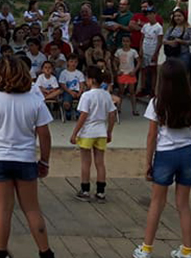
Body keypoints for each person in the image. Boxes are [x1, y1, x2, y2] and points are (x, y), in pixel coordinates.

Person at [0, 55, 57, 258]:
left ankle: (0, 257)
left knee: (3, 208)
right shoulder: (35, 101)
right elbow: (44, 134)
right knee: (32, 208)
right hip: (25, 158)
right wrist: (44, 160)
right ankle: (46, 256)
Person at [133, 58, 191, 258]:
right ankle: (188, 251)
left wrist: (148, 163)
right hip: (187, 153)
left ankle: (146, 249)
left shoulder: (157, 103)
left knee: (157, 202)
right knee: (183, 204)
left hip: (165, 154)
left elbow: (151, 136)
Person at [69, 67, 117, 202]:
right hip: (101, 131)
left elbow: (83, 116)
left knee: (86, 162)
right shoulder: (106, 95)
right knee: (100, 162)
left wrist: (74, 133)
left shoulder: (87, 95)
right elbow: (112, 115)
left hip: (88, 132)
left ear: (91, 80)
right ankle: (101, 192)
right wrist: (109, 131)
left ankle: (85, 190)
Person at [138, 0, 163, 98]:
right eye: (147, 14)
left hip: (152, 51)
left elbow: (159, 41)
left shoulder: (158, 27)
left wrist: (156, 53)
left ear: (154, 14)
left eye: (151, 14)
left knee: (152, 71)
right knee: (143, 70)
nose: (149, 16)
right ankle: (143, 88)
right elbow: (142, 38)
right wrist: (141, 49)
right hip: (145, 50)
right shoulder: (145, 26)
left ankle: (152, 90)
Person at [114, 34, 139, 116]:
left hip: (130, 73)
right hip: (122, 73)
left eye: (127, 41)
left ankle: (134, 109)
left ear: (130, 42)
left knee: (132, 92)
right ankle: (118, 108)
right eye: (124, 41)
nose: (125, 43)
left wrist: (134, 71)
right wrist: (117, 70)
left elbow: (139, 62)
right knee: (121, 92)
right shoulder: (119, 51)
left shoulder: (133, 52)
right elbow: (114, 61)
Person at [58, 54, 85, 120]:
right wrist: (70, 92)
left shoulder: (79, 73)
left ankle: (78, 112)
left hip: (77, 91)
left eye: (75, 62)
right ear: (67, 62)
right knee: (66, 103)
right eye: (71, 61)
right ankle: (68, 112)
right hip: (67, 91)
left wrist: (80, 92)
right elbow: (62, 84)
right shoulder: (63, 73)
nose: (73, 64)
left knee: (83, 99)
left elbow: (82, 84)